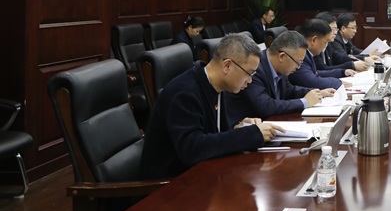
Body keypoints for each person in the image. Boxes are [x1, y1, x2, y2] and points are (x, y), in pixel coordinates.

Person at [140, 33, 285, 180]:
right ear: (227, 66)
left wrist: (237, 128)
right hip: (171, 184)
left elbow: (211, 133)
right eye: (249, 73)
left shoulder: (216, 86)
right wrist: (251, 134)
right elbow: (192, 149)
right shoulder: (184, 93)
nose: (250, 80)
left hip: (203, 172)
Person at [229, 30, 336, 120]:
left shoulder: (280, 68)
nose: (298, 67)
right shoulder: (255, 69)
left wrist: (317, 93)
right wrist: (304, 102)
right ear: (282, 57)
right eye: (298, 62)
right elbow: (266, 106)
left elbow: (289, 91)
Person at [288, 18, 355, 90]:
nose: (325, 46)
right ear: (314, 40)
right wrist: (338, 83)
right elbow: (312, 81)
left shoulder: (308, 52)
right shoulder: (299, 54)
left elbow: (315, 73)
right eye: (325, 42)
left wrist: (342, 72)